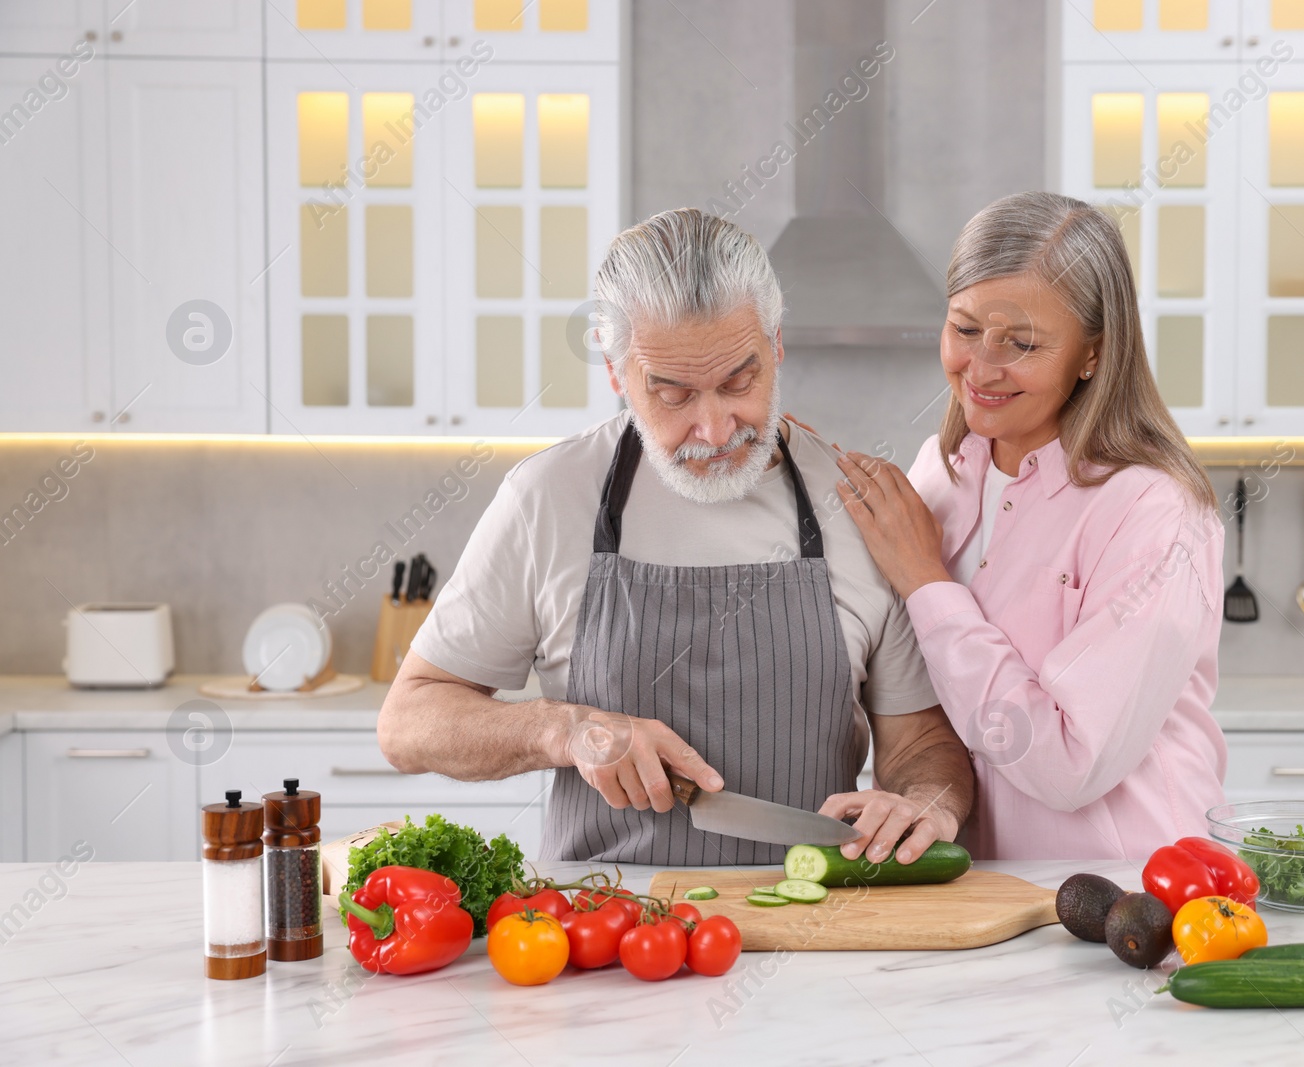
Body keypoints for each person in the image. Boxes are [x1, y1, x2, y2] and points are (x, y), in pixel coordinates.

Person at [378, 207, 972, 868]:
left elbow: (922, 740)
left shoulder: (859, 507)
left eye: (738, 381)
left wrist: (925, 799)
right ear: (616, 373)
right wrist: (562, 728)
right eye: (673, 394)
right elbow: (408, 721)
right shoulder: (548, 497)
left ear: (776, 343)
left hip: (808, 930)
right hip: (602, 939)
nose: (715, 429)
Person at [832, 191, 1226, 862]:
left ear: (1093, 354)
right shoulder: (940, 474)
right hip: (973, 889)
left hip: (1130, 892)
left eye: (1022, 343)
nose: (981, 368)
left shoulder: (1157, 514)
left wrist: (928, 581)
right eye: (963, 328)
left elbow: (1069, 762)